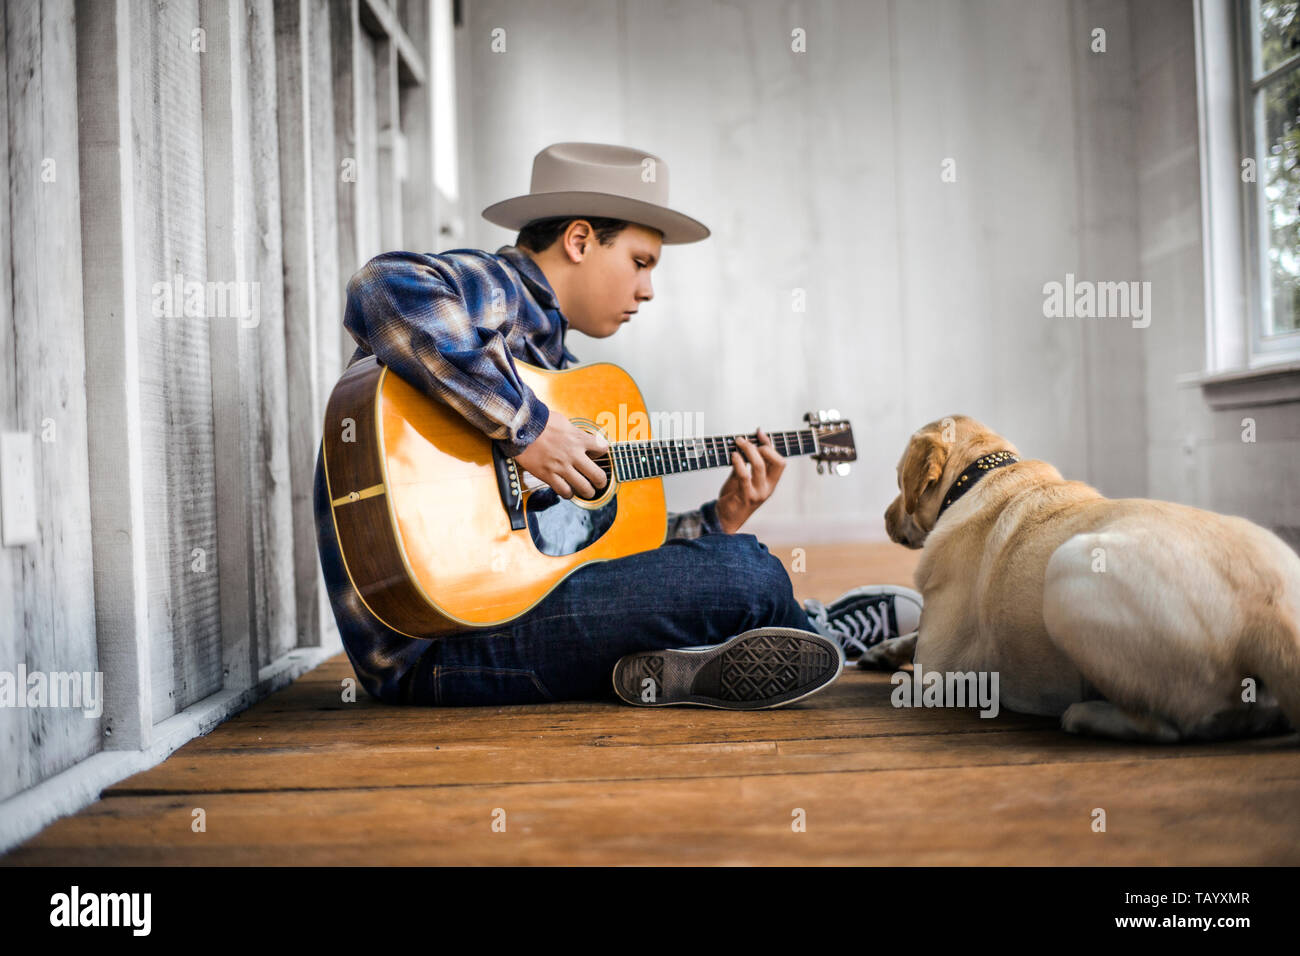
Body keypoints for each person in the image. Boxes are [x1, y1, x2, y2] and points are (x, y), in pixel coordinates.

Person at [313, 142, 921, 709]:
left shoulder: (563, 374)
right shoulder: (500, 292)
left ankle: (681, 661)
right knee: (749, 571)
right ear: (579, 240)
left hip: (510, 616)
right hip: (437, 643)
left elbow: (584, 548)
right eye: (640, 261)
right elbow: (382, 288)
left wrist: (719, 517)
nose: (648, 290)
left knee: (732, 553)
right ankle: (816, 628)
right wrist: (529, 430)